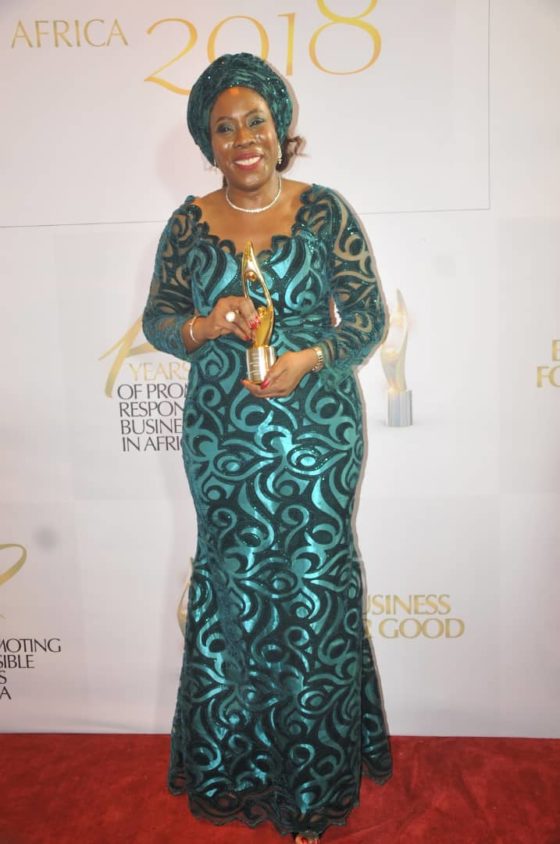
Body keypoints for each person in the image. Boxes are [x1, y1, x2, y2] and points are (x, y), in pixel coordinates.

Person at [143, 52, 392, 844]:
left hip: (318, 433)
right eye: (225, 127)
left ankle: (314, 787)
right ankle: (237, 768)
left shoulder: (325, 212)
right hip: (222, 439)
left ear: (281, 130)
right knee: (235, 583)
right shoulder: (187, 223)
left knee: (314, 586)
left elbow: (367, 318)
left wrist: (311, 357)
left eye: (256, 121)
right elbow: (158, 319)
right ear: (208, 143)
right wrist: (205, 323)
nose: (243, 138)